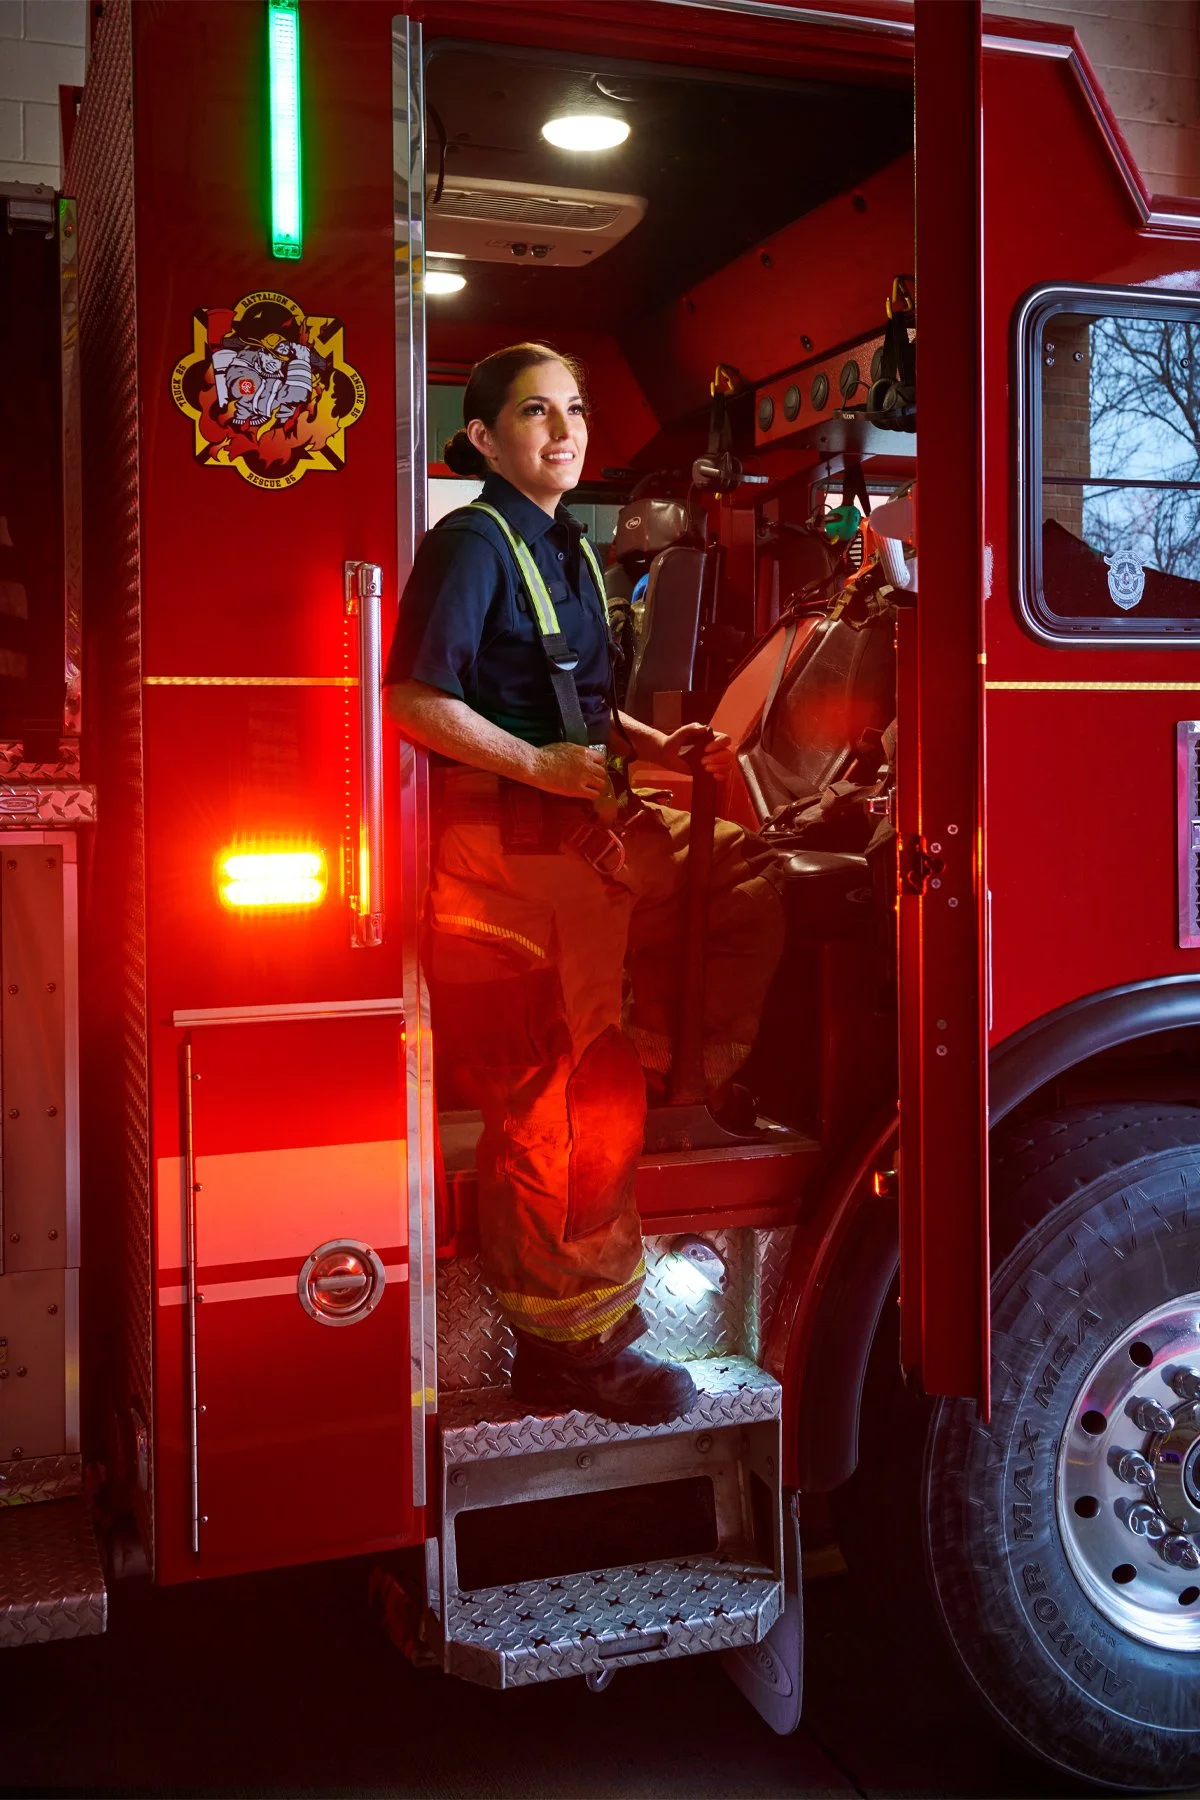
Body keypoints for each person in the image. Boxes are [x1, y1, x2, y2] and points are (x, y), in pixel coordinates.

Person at [383, 343, 783, 1427]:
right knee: (569, 1103)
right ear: (482, 437)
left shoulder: (562, 545)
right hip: (514, 861)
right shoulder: (471, 545)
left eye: (573, 412)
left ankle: (667, 1063)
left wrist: (662, 742)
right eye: (533, 413)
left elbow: (574, 709)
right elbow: (413, 701)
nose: (561, 432)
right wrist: (540, 770)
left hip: (583, 826)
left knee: (748, 881)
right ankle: (573, 1346)